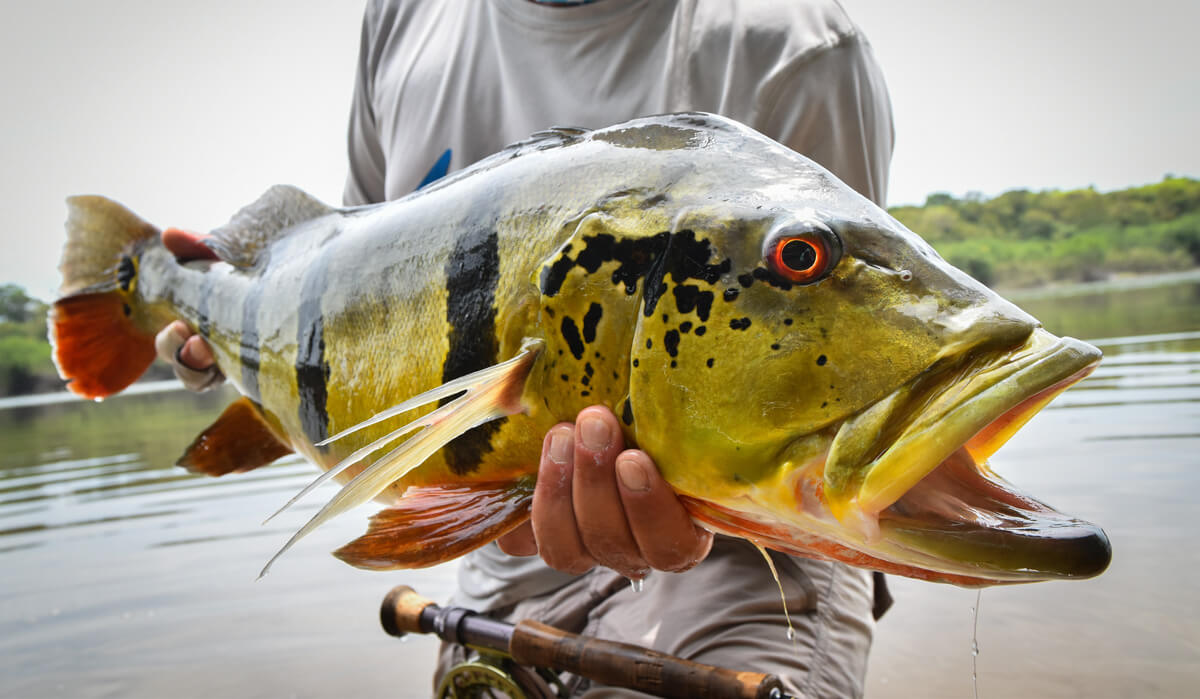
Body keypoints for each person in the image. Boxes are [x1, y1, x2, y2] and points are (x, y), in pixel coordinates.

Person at [157, 1, 894, 695]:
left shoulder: (798, 49)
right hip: (498, 557)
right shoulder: (401, 18)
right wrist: (223, 325)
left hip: (755, 557)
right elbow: (347, 278)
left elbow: (840, 379)